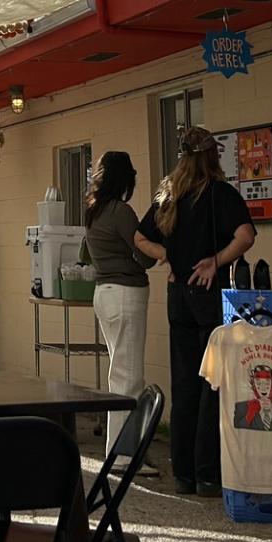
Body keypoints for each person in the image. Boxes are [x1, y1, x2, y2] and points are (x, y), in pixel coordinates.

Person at [135, 127, 255, 497]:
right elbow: (246, 235)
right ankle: (208, 474)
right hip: (209, 295)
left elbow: (139, 238)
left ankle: (183, 473)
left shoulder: (168, 198)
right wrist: (215, 262)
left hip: (177, 297)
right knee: (212, 384)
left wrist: (166, 256)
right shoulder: (220, 194)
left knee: (184, 383)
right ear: (211, 156)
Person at [82, 151, 161, 458]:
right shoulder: (121, 211)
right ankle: (125, 454)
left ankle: (120, 448)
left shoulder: (93, 209)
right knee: (129, 377)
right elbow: (143, 256)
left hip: (104, 293)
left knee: (120, 372)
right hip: (127, 293)